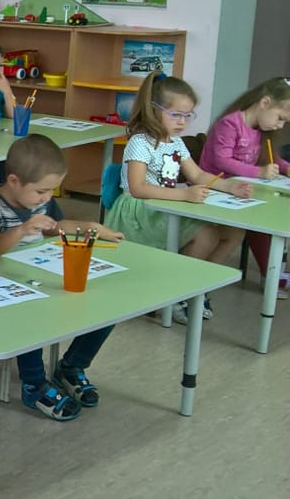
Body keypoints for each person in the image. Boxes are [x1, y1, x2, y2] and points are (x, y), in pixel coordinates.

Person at [0, 134, 124, 421]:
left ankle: (71, 366)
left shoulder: (39, 200)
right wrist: (21, 229)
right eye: (41, 191)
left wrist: (90, 227)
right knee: (29, 316)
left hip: (37, 274)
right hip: (0, 286)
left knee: (107, 309)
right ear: (14, 181)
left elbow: (56, 226)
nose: (46, 198)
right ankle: (34, 384)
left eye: (51, 191)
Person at [105, 74, 252, 323]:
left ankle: (197, 287)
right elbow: (138, 188)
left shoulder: (176, 143)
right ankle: (174, 292)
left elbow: (197, 174)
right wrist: (184, 194)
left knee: (235, 232)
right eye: (176, 115)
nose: (182, 122)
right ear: (154, 110)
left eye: (188, 115)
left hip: (166, 205)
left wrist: (229, 186)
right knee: (208, 235)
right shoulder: (140, 142)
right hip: (140, 211)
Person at [199, 76, 290, 297]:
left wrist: (286, 167)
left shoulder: (261, 130)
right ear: (265, 103)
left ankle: (207, 279)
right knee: (257, 223)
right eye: (280, 118)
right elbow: (222, 160)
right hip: (215, 188)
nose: (280, 125)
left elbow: (271, 157)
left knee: (261, 220)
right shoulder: (230, 124)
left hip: (240, 192)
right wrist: (259, 172)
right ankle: (203, 280)